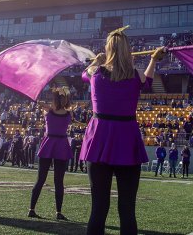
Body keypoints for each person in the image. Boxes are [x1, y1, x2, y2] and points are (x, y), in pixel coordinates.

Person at [80, 26, 164, 235]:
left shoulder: (95, 73)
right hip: (126, 141)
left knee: (98, 208)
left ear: (108, 49)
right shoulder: (135, 76)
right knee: (127, 208)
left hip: (99, 140)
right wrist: (154, 59)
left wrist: (97, 60)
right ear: (127, 50)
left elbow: (84, 74)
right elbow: (149, 82)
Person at [28, 87, 73, 221]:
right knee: (59, 182)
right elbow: (66, 112)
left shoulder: (47, 111)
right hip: (61, 145)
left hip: (49, 143)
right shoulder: (69, 114)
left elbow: (42, 105)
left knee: (40, 179)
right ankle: (58, 212)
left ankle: (31, 209)